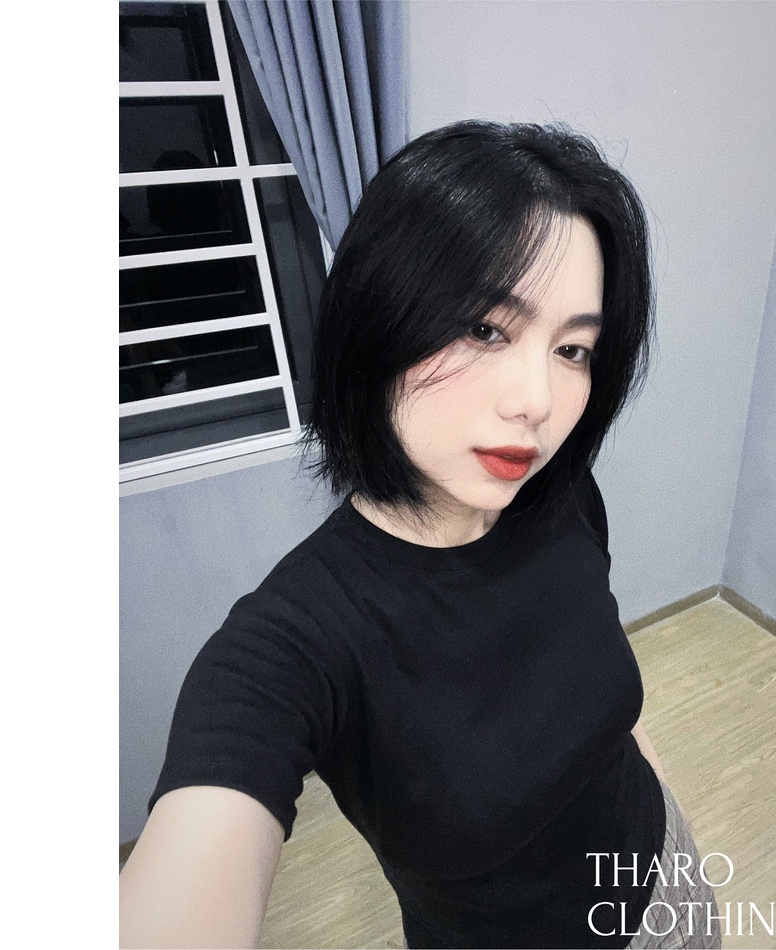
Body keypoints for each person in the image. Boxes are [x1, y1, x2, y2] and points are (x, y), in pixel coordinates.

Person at [119, 120, 721, 949]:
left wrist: (661, 796)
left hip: (667, 883)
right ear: (381, 317)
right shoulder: (291, 644)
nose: (537, 401)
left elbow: (606, 695)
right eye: (485, 329)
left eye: (574, 348)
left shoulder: (565, 498)